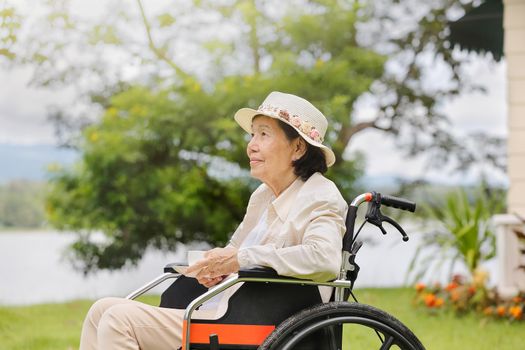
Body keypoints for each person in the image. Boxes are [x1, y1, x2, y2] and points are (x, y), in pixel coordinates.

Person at [79, 91, 348, 350]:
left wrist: (241, 259)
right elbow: (236, 250)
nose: (251, 145)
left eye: (264, 134)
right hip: (230, 304)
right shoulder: (263, 195)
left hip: (264, 320)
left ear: (298, 147)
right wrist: (218, 267)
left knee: (118, 320)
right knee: (100, 310)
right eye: (252, 134)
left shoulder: (320, 195)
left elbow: (323, 259)